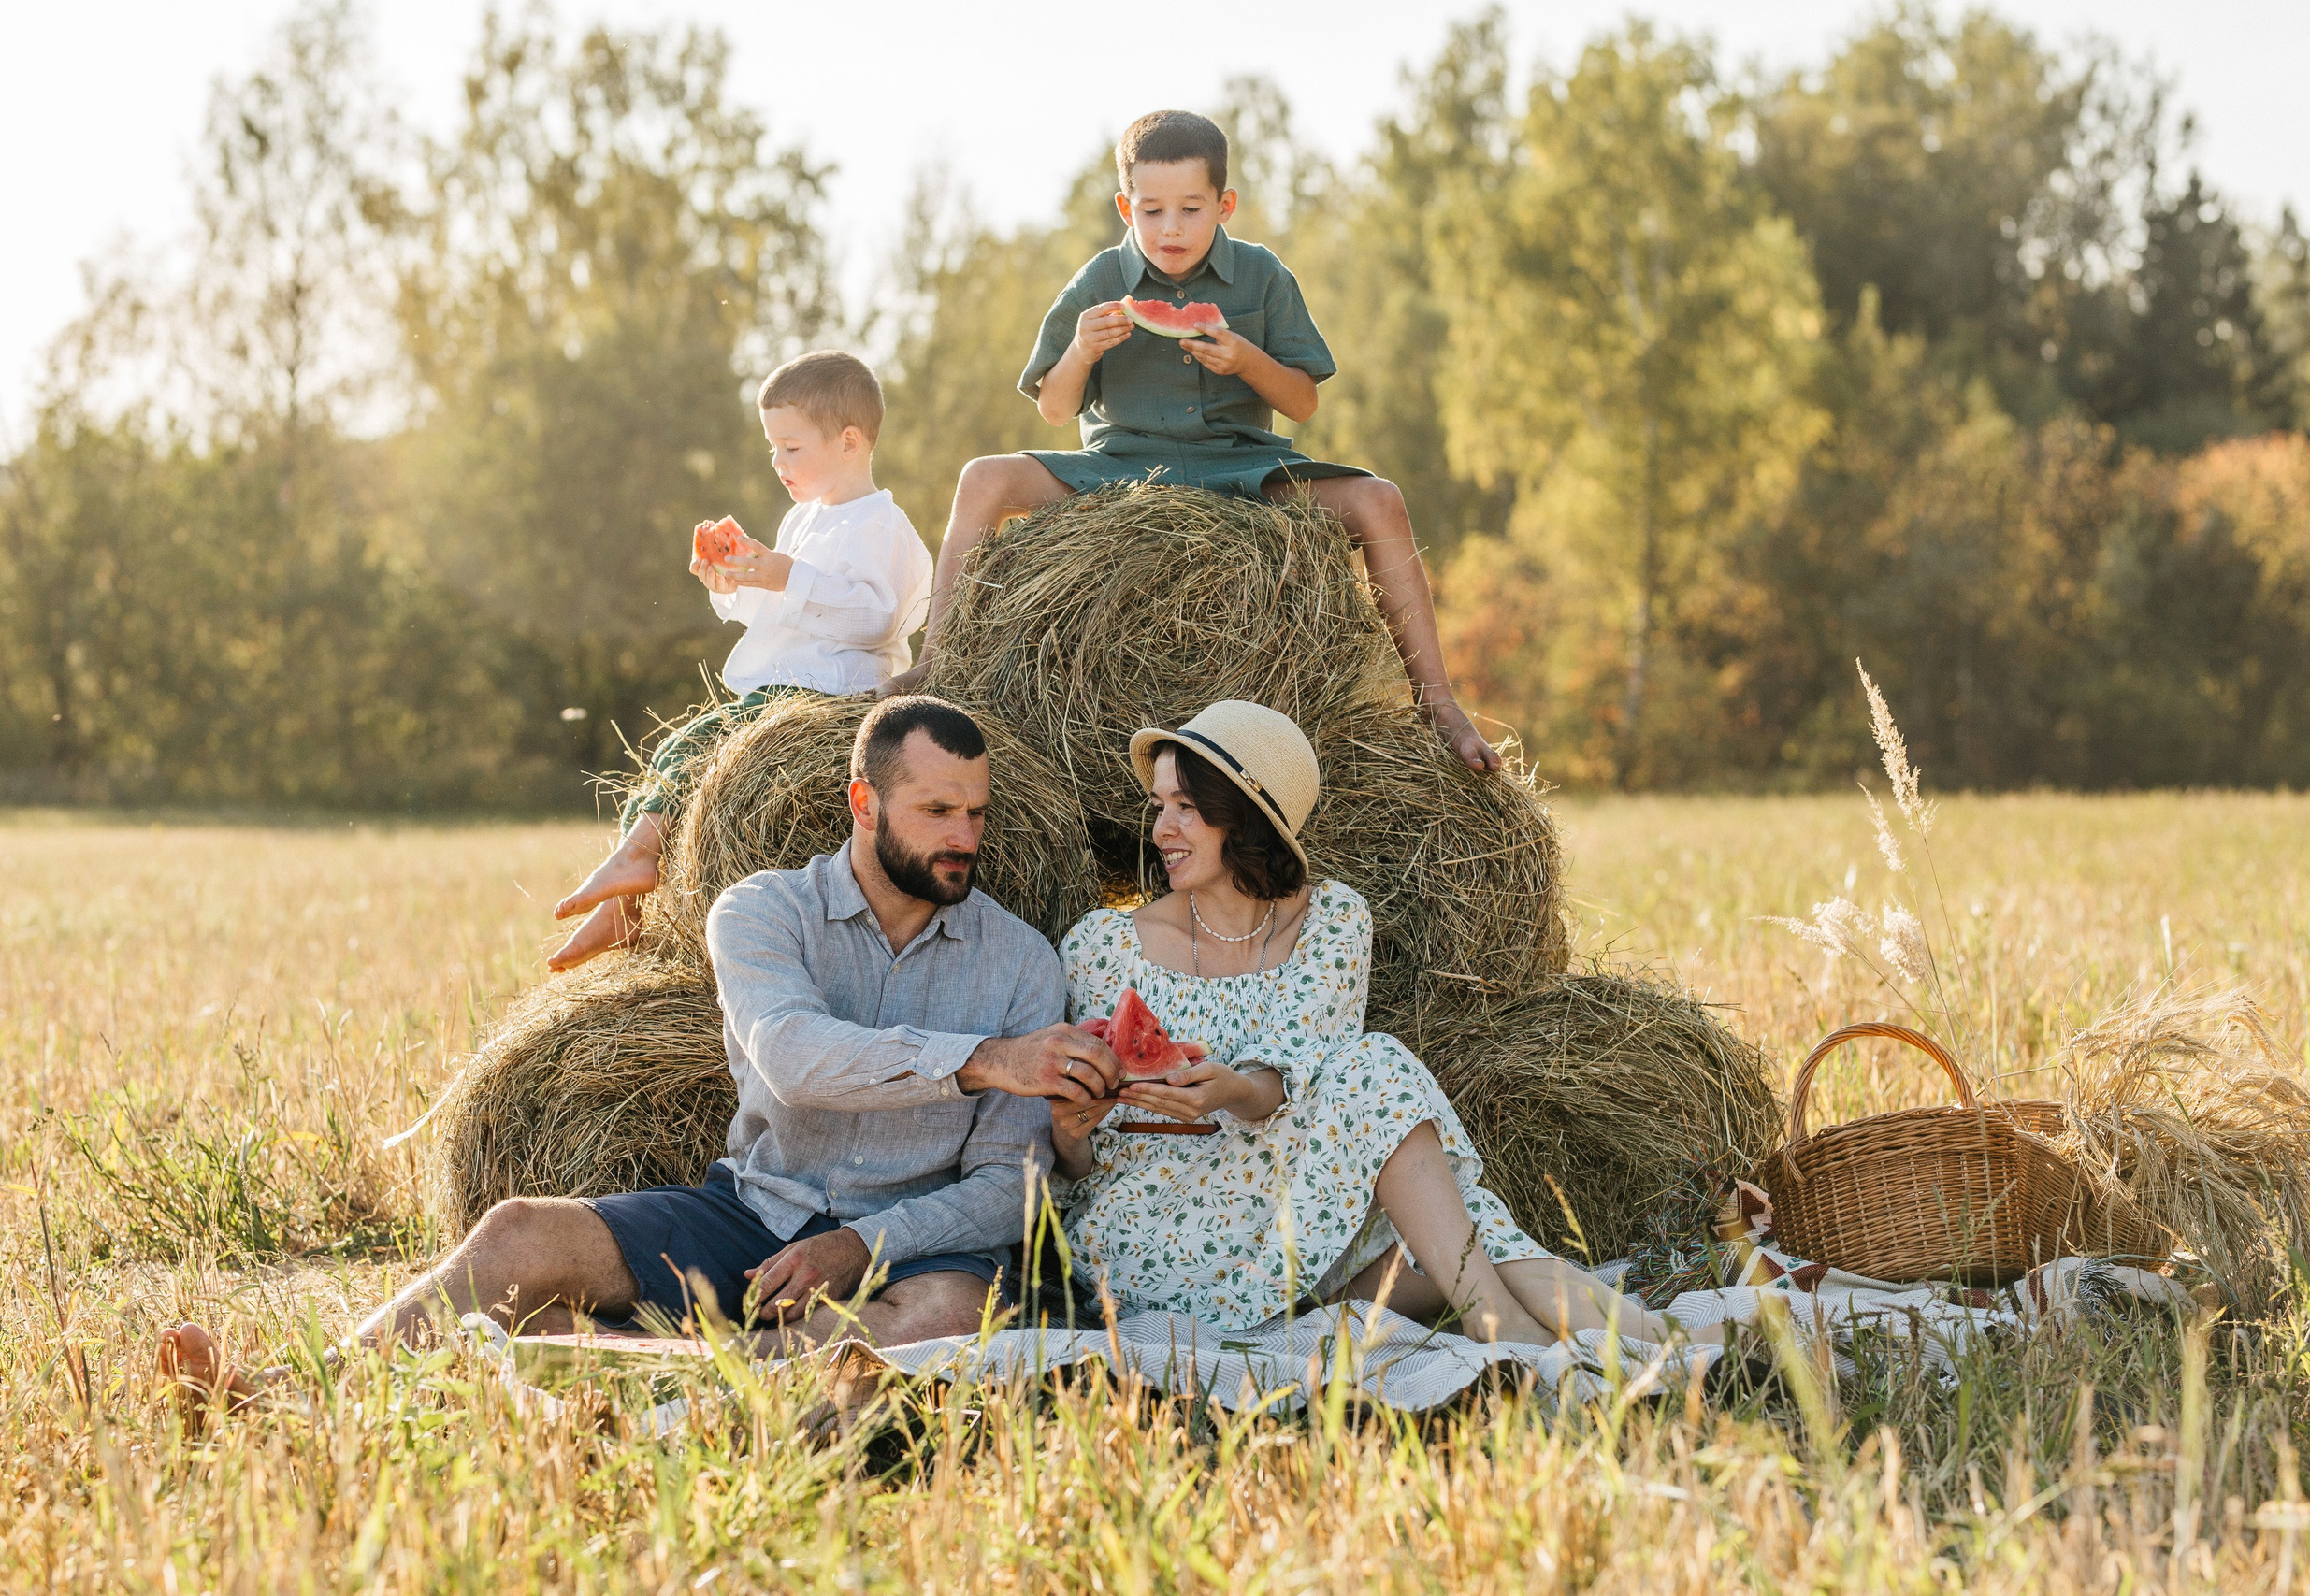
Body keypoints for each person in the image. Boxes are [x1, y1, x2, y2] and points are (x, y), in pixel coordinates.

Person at [164, 697, 1126, 1418]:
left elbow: (1007, 1191)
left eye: (976, 814)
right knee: (517, 1231)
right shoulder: (761, 912)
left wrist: (859, 1246)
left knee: (946, 1313)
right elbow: (792, 1056)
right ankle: (293, 1391)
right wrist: (983, 1059)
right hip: (754, 1215)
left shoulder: (1020, 961)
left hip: (913, 1250)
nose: (963, 839)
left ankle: (613, 1366)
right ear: (863, 802)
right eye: (936, 811)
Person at [1048, 700, 1710, 1347]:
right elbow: (1077, 1161)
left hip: (1297, 1200)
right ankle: (1553, 1326)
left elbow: (1304, 1073)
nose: (1161, 829)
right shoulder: (1104, 945)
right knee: (1440, 1186)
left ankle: (1655, 1340)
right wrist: (1069, 1127)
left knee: (1383, 1084)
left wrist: (1232, 1089)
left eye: (1186, 807)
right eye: (1158, 805)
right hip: (1154, 1231)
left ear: (1247, 816)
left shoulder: (1333, 921)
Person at [881, 109, 1501, 777]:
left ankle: (1438, 704)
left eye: (1190, 209)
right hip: (1118, 469)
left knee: (1381, 500)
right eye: (1151, 212)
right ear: (1126, 208)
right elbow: (1056, 410)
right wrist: (1080, 352)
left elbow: (1302, 402)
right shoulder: (1098, 281)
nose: (1170, 228)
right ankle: (934, 664)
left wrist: (1246, 360)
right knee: (982, 477)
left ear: (1224, 205)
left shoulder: (1263, 275)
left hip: (1244, 468)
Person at [550, 351, 935, 971]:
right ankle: (629, 892)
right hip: (782, 691)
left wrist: (787, 575)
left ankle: (636, 864)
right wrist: (731, 583)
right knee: (676, 751)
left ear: (849, 442)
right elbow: (777, 610)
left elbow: (876, 618)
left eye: (791, 447)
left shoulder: (880, 525)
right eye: (772, 449)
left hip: (832, 693)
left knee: (698, 743)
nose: (778, 463)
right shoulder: (802, 520)